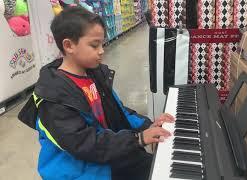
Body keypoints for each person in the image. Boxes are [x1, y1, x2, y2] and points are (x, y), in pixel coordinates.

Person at [18, 6, 174, 180]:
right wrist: (138, 139)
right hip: (78, 170)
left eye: (101, 43)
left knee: (159, 167)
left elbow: (119, 111)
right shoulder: (53, 98)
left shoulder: (95, 74)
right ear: (69, 45)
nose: (102, 50)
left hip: (105, 152)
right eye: (94, 45)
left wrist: (147, 126)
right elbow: (83, 144)